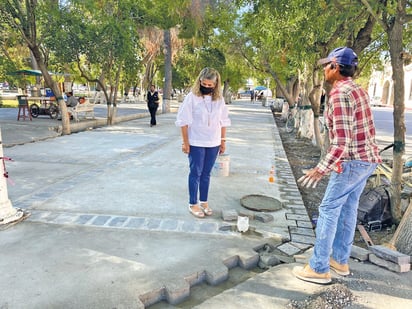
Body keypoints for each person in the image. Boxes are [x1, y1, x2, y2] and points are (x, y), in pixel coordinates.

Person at [292, 47, 382, 284]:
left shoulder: (340, 93)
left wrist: (321, 169)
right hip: (366, 161)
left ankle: (319, 267)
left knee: (329, 210)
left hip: (351, 162)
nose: (323, 70)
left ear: (334, 67)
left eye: (326, 65)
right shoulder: (358, 90)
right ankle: (340, 261)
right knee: (348, 209)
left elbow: (342, 140)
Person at [175, 67, 231, 218]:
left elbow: (223, 121)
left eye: (209, 85)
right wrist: (185, 143)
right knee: (196, 173)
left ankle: (204, 201)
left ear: (215, 84)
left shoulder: (219, 99)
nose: (206, 87)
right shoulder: (192, 97)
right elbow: (183, 122)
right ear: (199, 81)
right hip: (196, 141)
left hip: (213, 142)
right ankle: (193, 204)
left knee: (206, 174)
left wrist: (222, 141)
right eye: (203, 84)